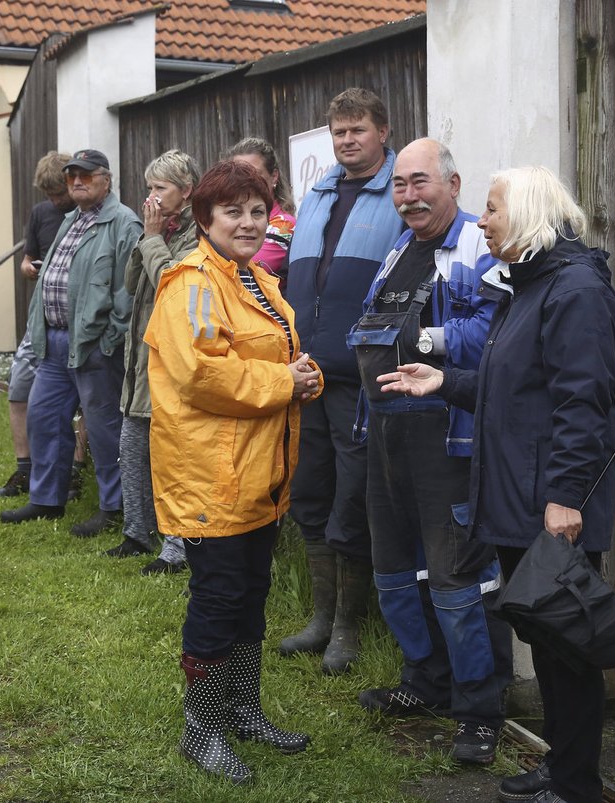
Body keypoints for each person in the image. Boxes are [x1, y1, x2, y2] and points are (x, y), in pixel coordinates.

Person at [378, 165, 615, 803]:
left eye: (491, 210)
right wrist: (445, 384)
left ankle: (577, 786)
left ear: (525, 215)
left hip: (551, 500)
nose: (481, 222)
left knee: (567, 646)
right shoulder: (531, 285)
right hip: (525, 495)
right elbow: (513, 388)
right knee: (547, 641)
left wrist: (566, 497)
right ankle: (564, 766)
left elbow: (583, 405)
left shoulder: (575, 291)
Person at [144, 159, 322, 783]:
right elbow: (200, 374)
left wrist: (304, 377)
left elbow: (279, 352)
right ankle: (203, 729)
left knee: (251, 596)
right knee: (218, 600)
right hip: (212, 476)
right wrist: (283, 381)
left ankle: (243, 710)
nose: (248, 223)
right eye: (233, 212)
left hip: (259, 475)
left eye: (257, 211)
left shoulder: (253, 280)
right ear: (203, 219)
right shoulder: (190, 282)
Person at [352, 138, 513, 764]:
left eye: (420, 183)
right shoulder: (398, 249)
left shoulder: (476, 242)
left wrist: (426, 337)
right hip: (386, 436)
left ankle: (480, 709)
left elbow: (498, 329)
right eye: (399, 185)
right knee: (394, 572)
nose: (409, 196)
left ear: (453, 182)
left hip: (448, 437)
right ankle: (424, 682)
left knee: (457, 581)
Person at [279, 88, 406, 674]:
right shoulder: (319, 193)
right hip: (305, 378)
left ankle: (350, 627)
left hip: (359, 382)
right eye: (338, 131)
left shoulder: (396, 195)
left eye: (357, 129)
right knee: (309, 493)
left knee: (352, 502)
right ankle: (320, 618)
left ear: (383, 131)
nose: (347, 140)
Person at [0, 149, 141, 538]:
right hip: (55, 342)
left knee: (102, 427)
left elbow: (128, 292)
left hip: (94, 346)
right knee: (43, 418)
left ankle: (115, 507)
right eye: (71, 176)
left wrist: (109, 339)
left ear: (106, 180)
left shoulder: (123, 223)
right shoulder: (69, 220)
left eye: (86, 175)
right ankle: (47, 498)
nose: (77, 182)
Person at [105, 149, 201, 571]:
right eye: (149, 188)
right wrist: (148, 236)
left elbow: (171, 285)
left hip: (171, 361)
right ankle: (136, 532)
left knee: (170, 456)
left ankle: (176, 548)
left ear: (186, 191)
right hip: (139, 358)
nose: (152, 197)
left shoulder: (198, 234)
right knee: (132, 446)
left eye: (160, 188)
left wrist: (154, 238)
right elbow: (131, 284)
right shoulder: (159, 228)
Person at [0, 151, 77, 499]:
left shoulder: (85, 216)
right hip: (40, 321)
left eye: (60, 193)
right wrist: (28, 268)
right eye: (50, 195)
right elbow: (28, 259)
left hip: (75, 324)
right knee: (19, 389)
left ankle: (74, 472)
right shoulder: (41, 213)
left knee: (79, 404)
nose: (56, 201)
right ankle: (25, 468)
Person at [222, 137, 296, 287]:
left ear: (274, 176)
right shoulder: (222, 217)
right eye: (238, 175)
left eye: (254, 174)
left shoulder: (284, 224)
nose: (245, 182)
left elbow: (242, 272)